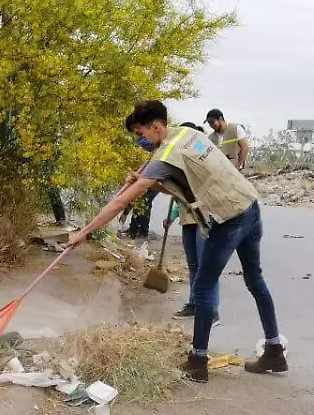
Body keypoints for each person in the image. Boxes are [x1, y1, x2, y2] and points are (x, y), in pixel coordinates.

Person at [70, 100, 284, 383]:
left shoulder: (165, 153)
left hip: (228, 217)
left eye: (141, 133)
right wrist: (147, 178)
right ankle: (274, 349)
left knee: (204, 285)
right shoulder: (187, 134)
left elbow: (121, 200)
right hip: (249, 206)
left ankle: (197, 360)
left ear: (157, 126)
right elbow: (185, 179)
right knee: (255, 280)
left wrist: (83, 232)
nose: (139, 140)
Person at [164, 122, 218, 323]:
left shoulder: (200, 147)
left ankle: (211, 310)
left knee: (206, 265)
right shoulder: (176, 154)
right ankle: (194, 304)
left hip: (205, 214)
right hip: (188, 217)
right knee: (194, 265)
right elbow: (180, 194)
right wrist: (172, 215)